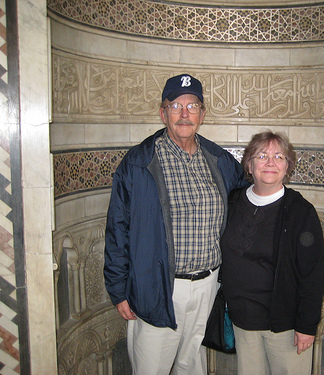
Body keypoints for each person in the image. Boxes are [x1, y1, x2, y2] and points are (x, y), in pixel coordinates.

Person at [104, 74, 247, 375]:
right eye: (175, 106)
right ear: (163, 113)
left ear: (202, 114)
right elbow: (118, 228)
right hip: (157, 286)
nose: (184, 114)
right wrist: (118, 290)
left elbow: (246, 201)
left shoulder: (219, 160)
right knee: (151, 367)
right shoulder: (138, 163)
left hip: (208, 285)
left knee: (189, 364)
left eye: (192, 106)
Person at [221, 131, 324, 375]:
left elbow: (312, 274)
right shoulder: (233, 202)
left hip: (284, 327)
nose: (270, 162)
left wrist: (307, 326)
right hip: (243, 322)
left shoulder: (301, 212)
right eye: (262, 156)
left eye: (279, 156)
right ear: (249, 163)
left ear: (287, 165)